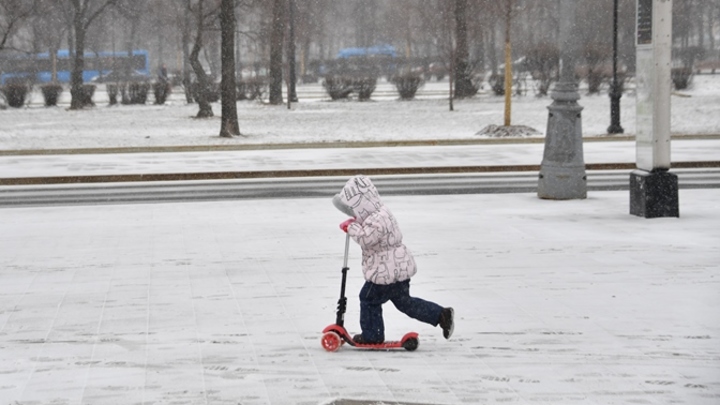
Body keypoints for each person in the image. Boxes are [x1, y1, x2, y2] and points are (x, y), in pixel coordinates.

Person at [332, 175, 454, 344]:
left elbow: (366, 238)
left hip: (384, 272)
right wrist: (357, 223)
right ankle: (440, 314)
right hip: (397, 268)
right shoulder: (381, 212)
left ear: (361, 203)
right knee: (405, 303)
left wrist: (351, 226)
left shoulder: (376, 219)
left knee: (368, 299)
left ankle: (372, 336)